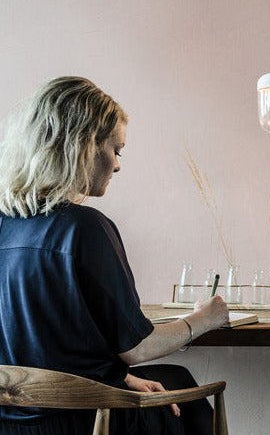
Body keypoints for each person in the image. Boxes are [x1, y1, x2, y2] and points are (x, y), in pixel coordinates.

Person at [0, 76, 229, 435]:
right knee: (184, 392)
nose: (118, 165)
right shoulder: (84, 228)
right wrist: (204, 318)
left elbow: (43, 345)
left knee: (168, 380)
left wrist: (120, 377)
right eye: (116, 150)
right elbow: (137, 348)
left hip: (16, 422)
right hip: (86, 420)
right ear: (84, 146)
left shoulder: (4, 226)